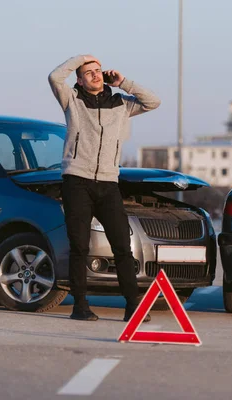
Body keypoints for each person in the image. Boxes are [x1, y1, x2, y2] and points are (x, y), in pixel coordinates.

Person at [48, 54, 160, 321]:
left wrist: (124, 82)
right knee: (79, 246)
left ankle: (132, 305)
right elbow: (54, 77)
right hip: (77, 181)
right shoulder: (71, 101)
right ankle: (80, 306)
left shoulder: (121, 103)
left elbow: (153, 102)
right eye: (88, 72)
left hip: (109, 183)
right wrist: (80, 58)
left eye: (98, 71)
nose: (95, 75)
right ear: (79, 79)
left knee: (122, 246)